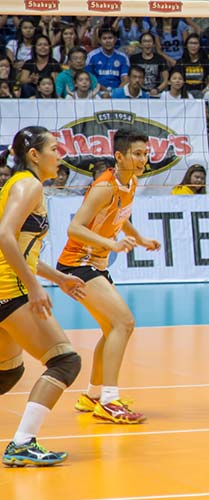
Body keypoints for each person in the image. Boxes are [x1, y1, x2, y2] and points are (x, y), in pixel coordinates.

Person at [56, 129, 161, 424]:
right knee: (124, 323)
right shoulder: (104, 187)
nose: (143, 159)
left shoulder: (131, 182)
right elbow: (74, 227)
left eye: (145, 154)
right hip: (78, 264)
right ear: (120, 156)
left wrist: (140, 238)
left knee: (112, 328)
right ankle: (110, 401)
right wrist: (112, 245)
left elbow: (121, 216)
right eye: (137, 154)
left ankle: (92, 395)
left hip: (95, 264)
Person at [0, 126, 85, 466]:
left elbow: (24, 248)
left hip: (4, 287)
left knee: (7, 373)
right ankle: (22, 443)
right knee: (65, 361)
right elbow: (4, 236)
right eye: (54, 148)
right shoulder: (29, 184)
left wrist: (58, 277)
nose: (59, 155)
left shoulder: (16, 185)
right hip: (10, 289)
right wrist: (34, 287)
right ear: (34, 155)